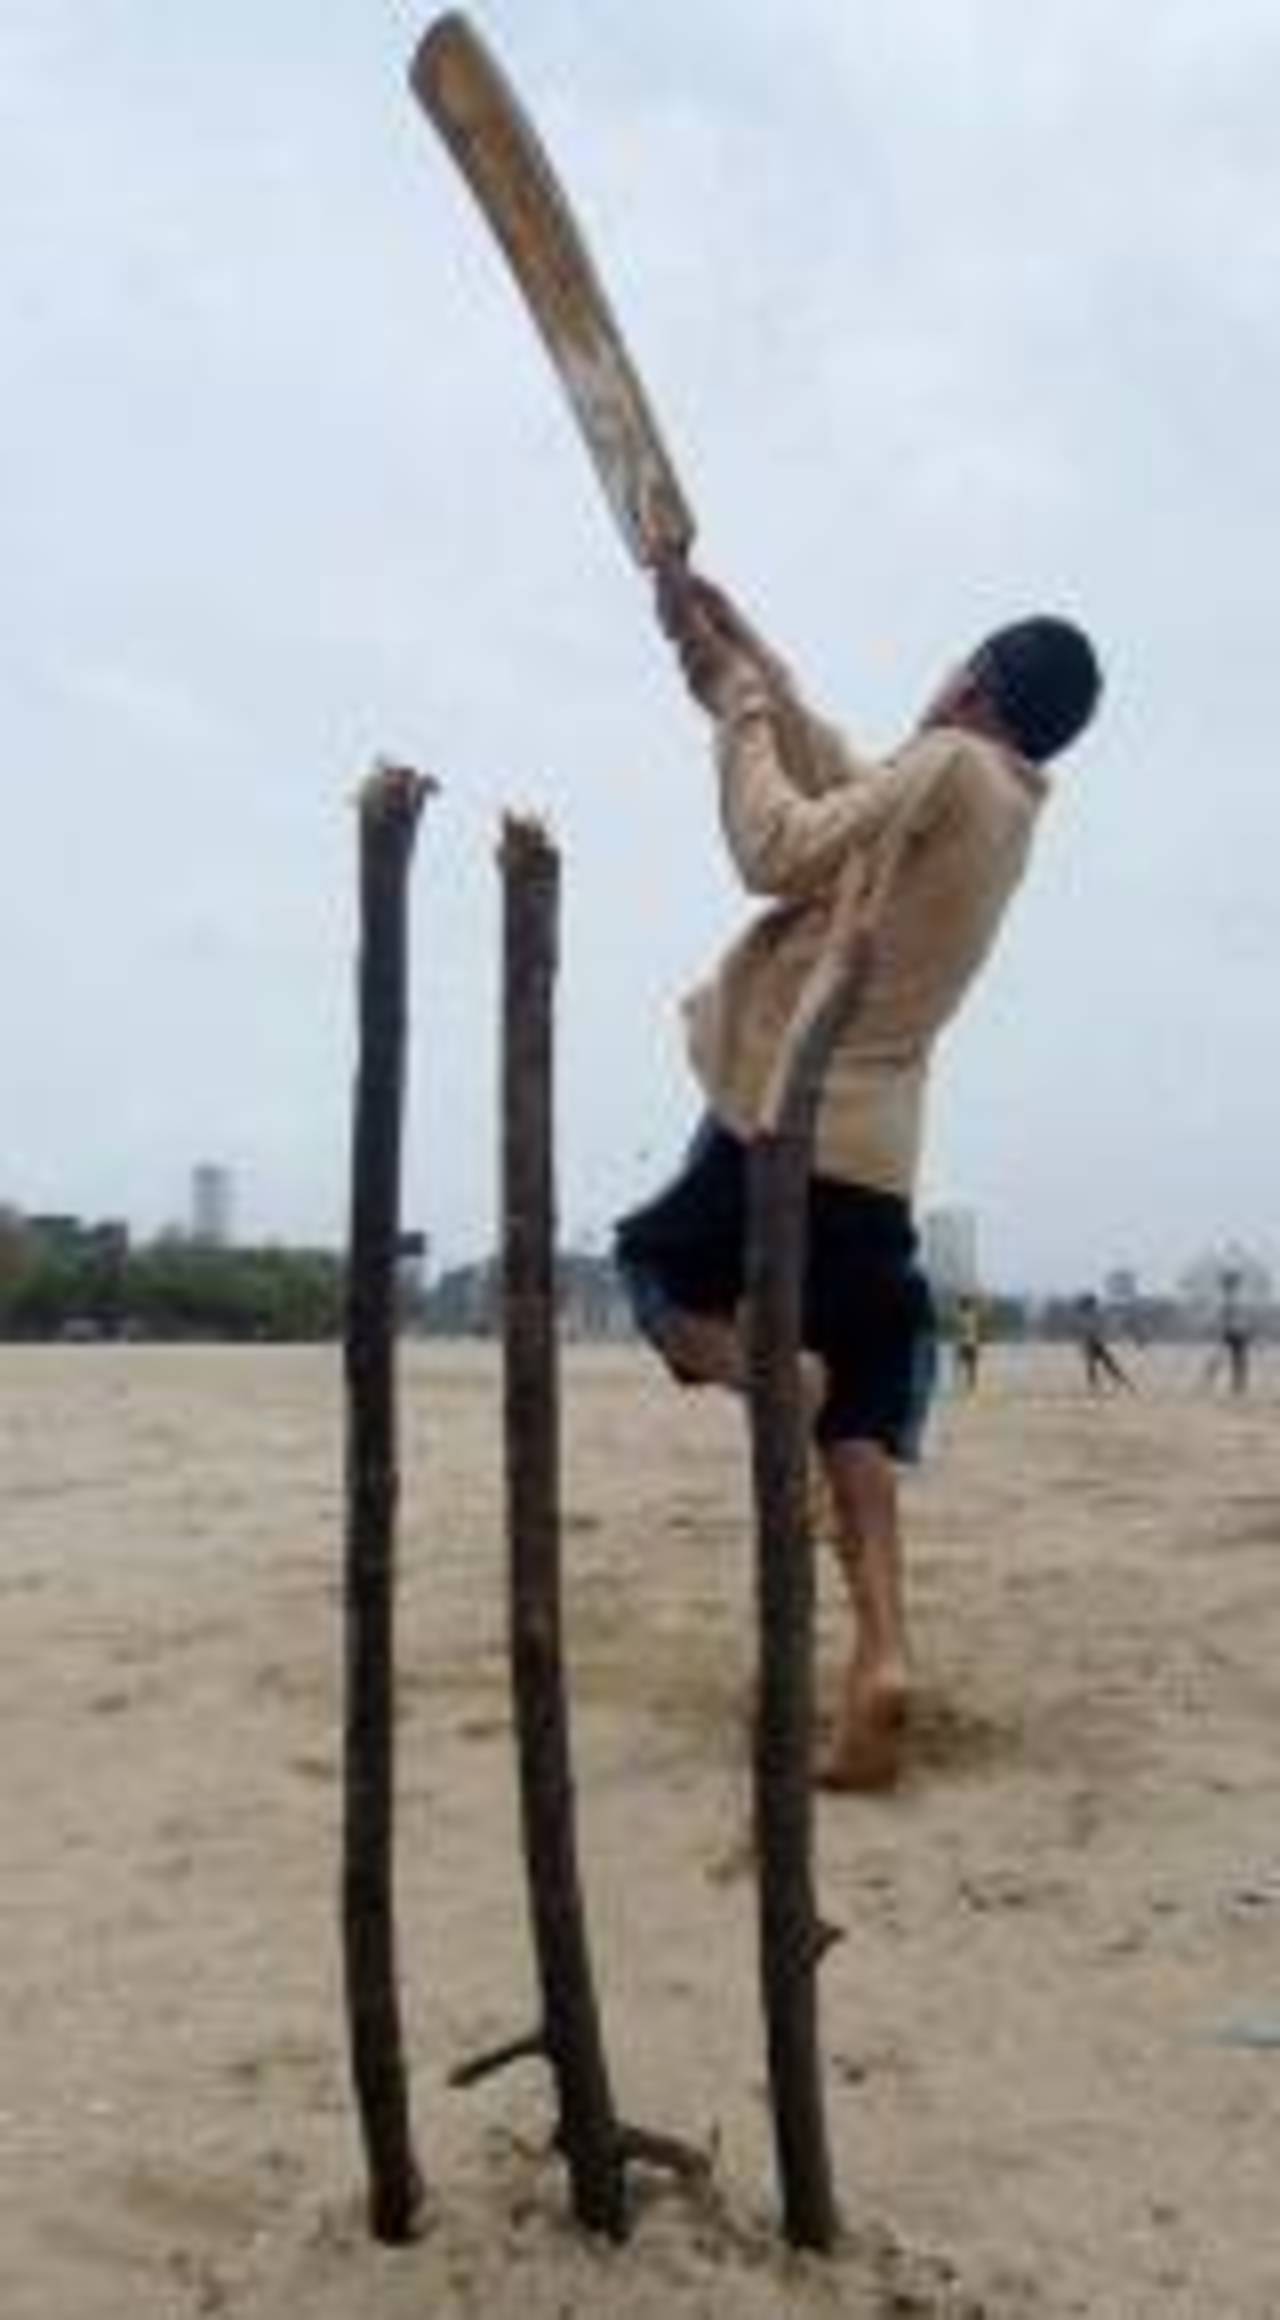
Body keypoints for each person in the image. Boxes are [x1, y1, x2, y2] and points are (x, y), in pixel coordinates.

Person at [615, 566, 1103, 1789]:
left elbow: (774, 844)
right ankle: (881, 1653)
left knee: (654, 1272)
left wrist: (733, 711)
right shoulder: (1001, 804)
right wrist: (748, 657)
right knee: (861, 1418)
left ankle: (763, 1371)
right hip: (878, 1161)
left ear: (973, 681)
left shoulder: (946, 764)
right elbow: (845, 775)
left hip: (781, 1119)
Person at [1072, 1292, 1136, 1393]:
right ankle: (1125, 1384)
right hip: (1093, 1342)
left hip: (1094, 1342)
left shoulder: (1090, 1314)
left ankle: (1124, 1384)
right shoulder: (1092, 1314)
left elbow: (1090, 1329)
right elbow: (1092, 1329)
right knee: (1103, 1366)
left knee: (1099, 1367)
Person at [953, 1294, 984, 1393]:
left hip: (964, 1343)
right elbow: (976, 1329)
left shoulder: (961, 1316)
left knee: (959, 1364)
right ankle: (971, 1385)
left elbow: (961, 1330)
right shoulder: (973, 1315)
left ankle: (959, 1383)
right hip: (972, 1343)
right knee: (971, 1366)